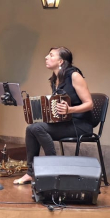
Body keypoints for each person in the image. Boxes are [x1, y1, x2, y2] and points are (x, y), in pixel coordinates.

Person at [14, 46, 95, 185]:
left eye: (51, 55)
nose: (46, 57)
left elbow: (89, 104)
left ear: (61, 61)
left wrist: (70, 110)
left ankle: (52, 170)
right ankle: (30, 173)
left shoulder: (74, 75)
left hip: (80, 125)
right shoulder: (55, 79)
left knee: (37, 128)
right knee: (31, 128)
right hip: (65, 123)